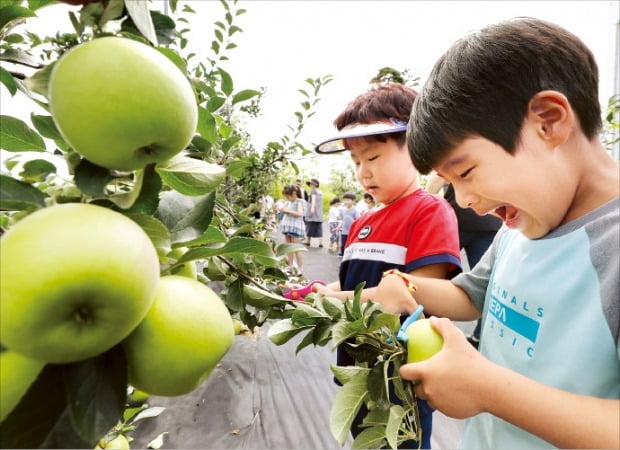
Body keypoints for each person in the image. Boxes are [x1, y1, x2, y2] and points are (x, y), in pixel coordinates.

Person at [376, 18, 619, 449]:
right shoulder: (519, 226)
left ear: (548, 121)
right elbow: (474, 296)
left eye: (466, 171)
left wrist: (488, 390)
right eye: (449, 183)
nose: (463, 199)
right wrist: (410, 286)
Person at [313, 83, 462, 448]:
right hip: (359, 373)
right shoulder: (363, 222)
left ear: (415, 148)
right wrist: (322, 292)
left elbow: (409, 300)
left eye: (373, 158)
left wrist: (334, 302)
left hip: (397, 379)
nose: (363, 173)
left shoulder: (428, 212)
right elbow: (355, 283)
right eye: (356, 161)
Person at [426, 171, 502, 348]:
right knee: (487, 284)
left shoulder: (450, 152)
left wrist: (424, 199)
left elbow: (437, 177)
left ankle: (430, 330)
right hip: (489, 221)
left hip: (457, 220)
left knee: (437, 278)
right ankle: (478, 337)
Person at [277, 184, 306, 275]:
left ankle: (300, 269)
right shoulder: (288, 203)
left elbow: (299, 213)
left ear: (294, 193)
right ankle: (291, 267)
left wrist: (287, 211)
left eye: (288, 196)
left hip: (295, 228)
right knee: (289, 248)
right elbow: (282, 209)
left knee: (296, 248)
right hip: (287, 227)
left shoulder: (299, 202)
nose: (287, 198)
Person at [337, 192, 359, 257]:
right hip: (344, 230)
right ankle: (343, 254)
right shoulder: (342, 210)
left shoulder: (355, 210)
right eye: (345, 200)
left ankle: (349, 255)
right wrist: (339, 226)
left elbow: (358, 220)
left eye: (348, 200)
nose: (346, 202)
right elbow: (341, 219)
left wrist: (353, 221)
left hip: (352, 231)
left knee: (350, 244)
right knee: (343, 244)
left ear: (353, 201)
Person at [304, 178, 325, 248]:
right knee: (319, 228)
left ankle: (308, 241)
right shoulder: (320, 191)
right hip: (319, 213)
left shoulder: (313, 191)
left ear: (314, 185)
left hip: (313, 213)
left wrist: (312, 208)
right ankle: (321, 243)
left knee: (309, 226)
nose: (310, 185)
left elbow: (313, 200)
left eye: (311, 183)